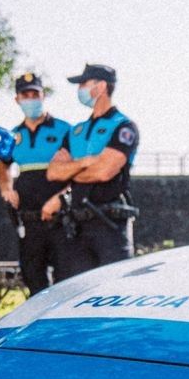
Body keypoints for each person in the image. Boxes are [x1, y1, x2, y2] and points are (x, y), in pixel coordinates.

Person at [46, 63, 139, 280]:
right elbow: (53, 172)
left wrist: (72, 170)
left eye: (83, 84)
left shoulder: (123, 126)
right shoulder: (76, 131)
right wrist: (88, 162)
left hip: (110, 223)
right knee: (78, 293)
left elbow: (105, 171)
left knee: (115, 290)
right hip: (78, 225)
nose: (80, 89)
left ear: (101, 86)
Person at [0, 73, 69, 295]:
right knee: (34, 279)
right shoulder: (14, 135)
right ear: (17, 99)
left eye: (34, 94)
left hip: (60, 221)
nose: (30, 99)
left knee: (66, 281)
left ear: (43, 95)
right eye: (25, 94)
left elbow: (77, 170)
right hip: (29, 221)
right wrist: (6, 189)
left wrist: (61, 198)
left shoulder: (65, 130)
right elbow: (2, 165)